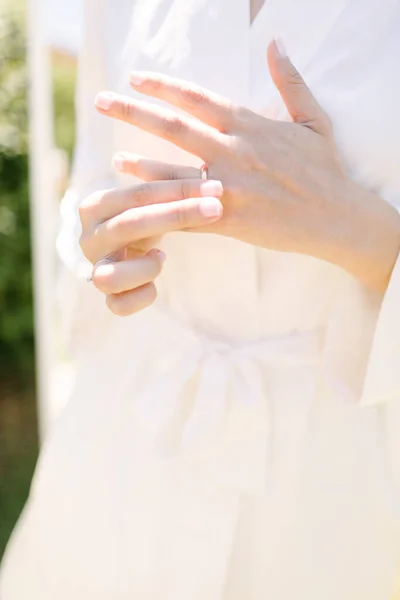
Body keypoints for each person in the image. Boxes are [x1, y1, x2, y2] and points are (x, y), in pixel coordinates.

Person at [2, 0, 400, 598]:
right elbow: (94, 180)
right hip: (123, 452)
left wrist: (356, 227)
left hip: (337, 490)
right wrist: (100, 247)